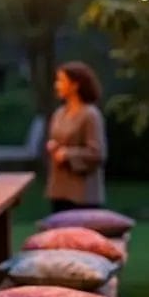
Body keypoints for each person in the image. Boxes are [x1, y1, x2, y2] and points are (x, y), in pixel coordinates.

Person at [45, 61, 107, 213]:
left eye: (61, 81)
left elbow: (97, 153)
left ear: (75, 85)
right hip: (59, 190)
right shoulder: (59, 113)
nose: (56, 85)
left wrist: (68, 154)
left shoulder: (90, 115)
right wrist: (54, 147)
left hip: (82, 194)